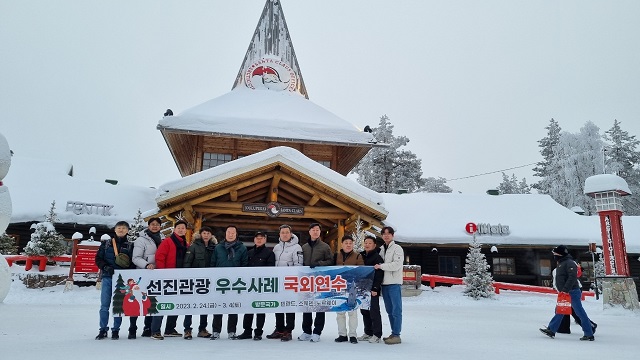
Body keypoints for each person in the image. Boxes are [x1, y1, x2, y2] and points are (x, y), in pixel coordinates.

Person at [540, 245, 596, 341]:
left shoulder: (569, 263)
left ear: (560, 254)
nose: (554, 256)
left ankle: (589, 333)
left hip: (572, 291)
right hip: (565, 292)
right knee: (560, 310)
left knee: (579, 313)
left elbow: (572, 277)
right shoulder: (562, 263)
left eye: (555, 254)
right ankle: (551, 330)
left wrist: (565, 289)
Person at [150, 220, 189, 340]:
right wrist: (163, 273)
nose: (181, 230)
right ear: (174, 229)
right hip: (167, 278)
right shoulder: (168, 241)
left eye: (183, 228)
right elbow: (160, 257)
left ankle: (170, 328)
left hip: (180, 279)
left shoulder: (185, 244)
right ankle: (155, 330)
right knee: (162, 304)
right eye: (179, 228)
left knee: (176, 304)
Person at [95, 221, 133, 340]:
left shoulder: (130, 245)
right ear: (115, 230)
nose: (121, 230)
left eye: (123, 228)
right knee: (104, 305)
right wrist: (105, 267)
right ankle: (103, 329)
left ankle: (116, 329)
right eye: (119, 228)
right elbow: (98, 259)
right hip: (107, 277)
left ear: (127, 231)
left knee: (118, 306)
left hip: (121, 279)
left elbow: (133, 262)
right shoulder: (106, 244)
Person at [210, 225, 248, 340]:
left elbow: (245, 264)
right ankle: (216, 331)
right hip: (219, 282)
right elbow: (213, 263)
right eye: (229, 232)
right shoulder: (218, 247)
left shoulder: (242, 248)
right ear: (225, 234)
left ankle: (232, 331)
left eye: (233, 232)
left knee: (233, 307)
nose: (230, 234)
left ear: (236, 234)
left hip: (235, 282)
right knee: (218, 307)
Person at [266, 224, 303, 342]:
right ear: (279, 234)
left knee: (289, 305)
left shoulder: (297, 247)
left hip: (290, 281)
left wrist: (293, 277)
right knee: (279, 305)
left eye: (287, 232)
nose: (285, 234)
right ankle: (279, 329)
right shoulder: (276, 247)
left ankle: (288, 330)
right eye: (282, 232)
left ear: (291, 234)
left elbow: (299, 264)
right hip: (278, 281)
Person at [298, 223, 334, 343]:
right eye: (313, 230)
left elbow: (330, 261)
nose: (315, 232)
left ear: (320, 232)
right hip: (306, 280)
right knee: (307, 305)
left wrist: (319, 264)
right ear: (309, 232)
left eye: (317, 230)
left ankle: (317, 331)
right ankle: (307, 331)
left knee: (319, 305)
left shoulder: (325, 247)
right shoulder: (304, 247)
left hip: (320, 280)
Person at [237, 231, 275, 340]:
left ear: (265, 240)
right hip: (250, 286)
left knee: (260, 310)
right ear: (254, 240)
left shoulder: (269, 253)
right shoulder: (249, 252)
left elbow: (270, 270)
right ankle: (247, 331)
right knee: (248, 309)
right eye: (257, 238)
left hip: (262, 286)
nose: (259, 240)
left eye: (262, 238)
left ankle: (258, 332)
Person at [128, 217, 162, 339]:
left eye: (157, 225)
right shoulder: (141, 240)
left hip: (156, 275)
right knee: (137, 302)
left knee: (151, 302)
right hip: (142, 274)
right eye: (152, 224)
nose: (155, 226)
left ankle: (147, 327)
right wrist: (147, 265)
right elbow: (135, 258)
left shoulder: (162, 239)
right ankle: (132, 328)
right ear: (148, 226)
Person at [182, 226, 218, 339]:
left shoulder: (215, 247)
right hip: (194, 281)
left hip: (208, 282)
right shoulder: (193, 246)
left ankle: (202, 329)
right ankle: (187, 329)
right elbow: (187, 262)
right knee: (190, 305)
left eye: (208, 233)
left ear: (211, 235)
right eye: (204, 233)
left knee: (205, 306)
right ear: (200, 234)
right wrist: (187, 277)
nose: (206, 235)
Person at [374, 226, 404, 345]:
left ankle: (397, 334)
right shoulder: (381, 249)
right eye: (384, 233)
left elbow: (396, 265)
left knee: (396, 310)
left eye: (388, 233)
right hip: (385, 284)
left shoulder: (397, 248)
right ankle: (393, 333)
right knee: (390, 310)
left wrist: (381, 266)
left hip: (394, 284)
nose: (386, 235)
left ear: (393, 235)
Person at [333, 235, 364, 344]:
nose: (348, 245)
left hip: (352, 288)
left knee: (352, 312)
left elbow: (361, 271)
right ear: (342, 244)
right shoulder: (336, 256)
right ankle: (342, 334)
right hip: (339, 286)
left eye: (350, 243)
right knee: (340, 312)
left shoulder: (357, 256)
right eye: (346, 243)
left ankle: (352, 335)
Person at [358, 235, 384, 343]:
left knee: (374, 311)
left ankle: (377, 334)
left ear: (374, 245)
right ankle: (368, 332)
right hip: (362, 289)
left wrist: (375, 288)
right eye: (366, 243)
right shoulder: (362, 256)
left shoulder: (377, 257)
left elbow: (379, 274)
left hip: (372, 289)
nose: (367, 245)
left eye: (369, 243)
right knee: (364, 311)